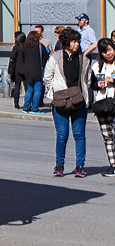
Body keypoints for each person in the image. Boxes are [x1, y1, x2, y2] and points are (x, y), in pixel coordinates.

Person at [44, 27, 87, 177]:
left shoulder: (83, 58)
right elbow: (47, 77)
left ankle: (80, 166)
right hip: (60, 101)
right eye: (73, 41)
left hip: (78, 101)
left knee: (79, 134)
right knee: (62, 135)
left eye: (78, 41)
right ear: (66, 42)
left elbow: (86, 79)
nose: (76, 44)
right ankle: (59, 166)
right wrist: (54, 93)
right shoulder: (55, 57)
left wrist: (85, 95)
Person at [91, 38, 115, 178]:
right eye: (105, 51)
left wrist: (113, 80)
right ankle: (113, 165)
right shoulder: (97, 67)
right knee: (108, 136)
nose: (108, 54)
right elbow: (92, 84)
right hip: (102, 104)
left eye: (110, 50)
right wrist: (97, 84)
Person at [18, 30, 46, 114]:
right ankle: (35, 108)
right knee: (37, 89)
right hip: (37, 71)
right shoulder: (40, 47)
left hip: (27, 71)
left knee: (29, 89)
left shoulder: (24, 47)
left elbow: (23, 58)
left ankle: (26, 107)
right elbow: (46, 57)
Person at [8, 31, 26, 109]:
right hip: (26, 68)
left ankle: (16, 103)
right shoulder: (26, 47)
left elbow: (12, 57)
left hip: (17, 68)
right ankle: (28, 103)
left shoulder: (16, 47)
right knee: (27, 87)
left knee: (17, 86)